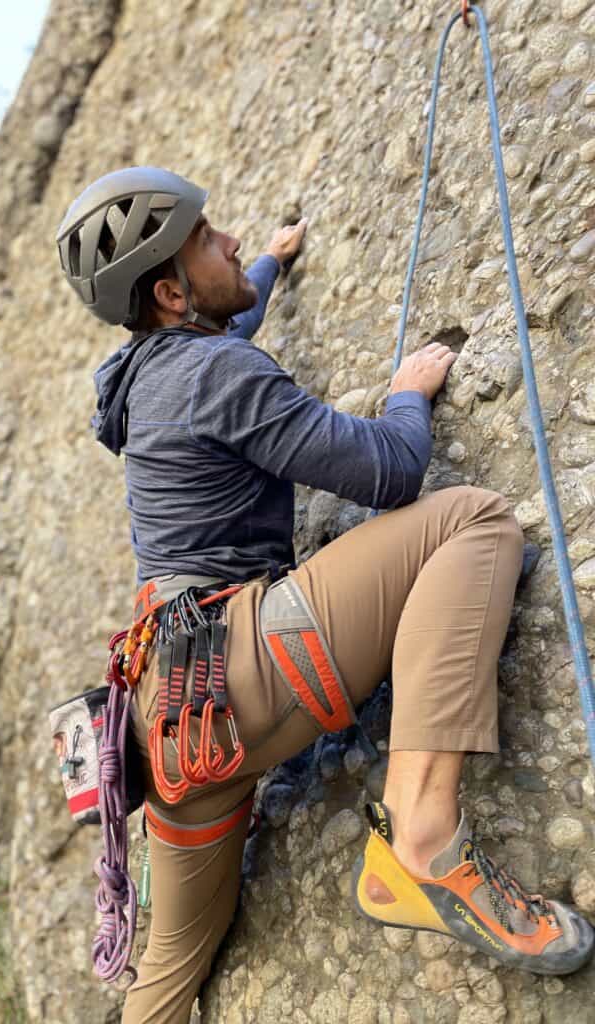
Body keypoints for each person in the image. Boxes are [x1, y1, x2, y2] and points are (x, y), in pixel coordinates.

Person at [56, 167, 594, 1023]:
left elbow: (229, 317)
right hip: (241, 670)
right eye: (208, 239)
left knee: (165, 976)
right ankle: (420, 839)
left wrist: (267, 265)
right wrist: (406, 400)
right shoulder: (213, 374)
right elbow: (388, 470)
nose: (227, 240)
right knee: (475, 523)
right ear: (170, 292)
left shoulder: (148, 373)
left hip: (169, 724)